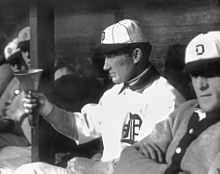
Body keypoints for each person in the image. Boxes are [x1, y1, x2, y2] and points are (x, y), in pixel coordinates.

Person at [15, 19, 184, 174]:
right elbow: (78, 127)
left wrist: (96, 167)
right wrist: (45, 107)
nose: (105, 65)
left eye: (111, 55)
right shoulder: (114, 94)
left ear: (136, 55)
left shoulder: (166, 99)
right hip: (100, 170)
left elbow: (148, 164)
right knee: (29, 170)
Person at [113, 31, 220, 174]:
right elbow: (128, 158)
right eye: (195, 75)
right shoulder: (185, 112)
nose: (201, 85)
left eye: (210, 73)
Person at [0, 27, 32, 170]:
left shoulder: (56, 76)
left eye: (31, 47)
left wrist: (12, 123)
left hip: (31, 144)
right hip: (13, 136)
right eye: (24, 49)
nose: (16, 66)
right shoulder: (16, 81)